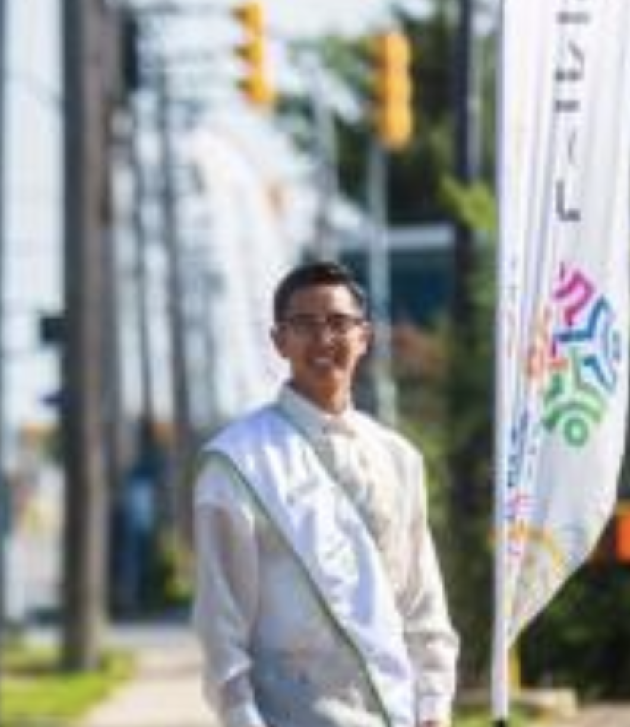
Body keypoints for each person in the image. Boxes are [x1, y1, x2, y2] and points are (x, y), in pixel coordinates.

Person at [192, 260, 459, 727]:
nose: (323, 340)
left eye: (338, 323)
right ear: (279, 340)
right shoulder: (236, 461)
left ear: (365, 336)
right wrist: (239, 716)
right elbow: (219, 617)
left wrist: (433, 705)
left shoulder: (399, 457)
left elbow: (422, 600)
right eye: (304, 325)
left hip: (393, 712)